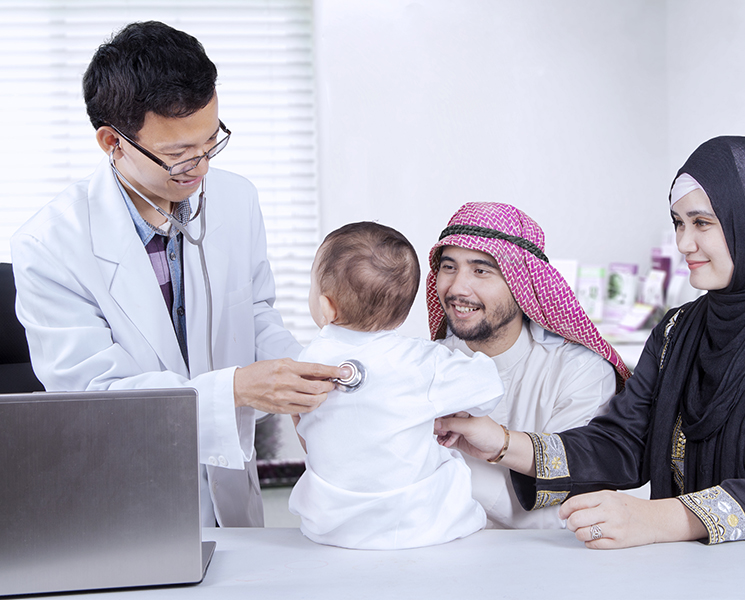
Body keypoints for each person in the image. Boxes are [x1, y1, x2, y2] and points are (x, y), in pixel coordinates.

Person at [435, 136, 745, 548]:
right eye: (678, 223)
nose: (684, 243)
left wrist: (662, 519)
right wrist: (499, 443)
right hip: (686, 574)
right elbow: (623, 443)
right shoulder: (678, 330)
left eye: (702, 223)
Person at [10, 21, 347, 527]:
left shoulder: (236, 199)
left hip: (231, 491)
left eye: (211, 142)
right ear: (111, 142)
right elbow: (94, 404)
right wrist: (235, 390)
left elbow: (255, 313)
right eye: (176, 155)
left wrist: (305, 375)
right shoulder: (49, 246)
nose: (201, 168)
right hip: (128, 500)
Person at [288, 222, 503, 549]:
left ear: (327, 307)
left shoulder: (309, 361)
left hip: (331, 527)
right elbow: (488, 387)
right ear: (402, 315)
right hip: (422, 529)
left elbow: (307, 430)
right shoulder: (422, 362)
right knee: (447, 465)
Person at [426, 202, 631, 529]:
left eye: (481, 270)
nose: (457, 288)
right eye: (449, 267)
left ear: (523, 283)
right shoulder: (423, 365)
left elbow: (561, 506)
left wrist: (494, 445)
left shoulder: (579, 371)